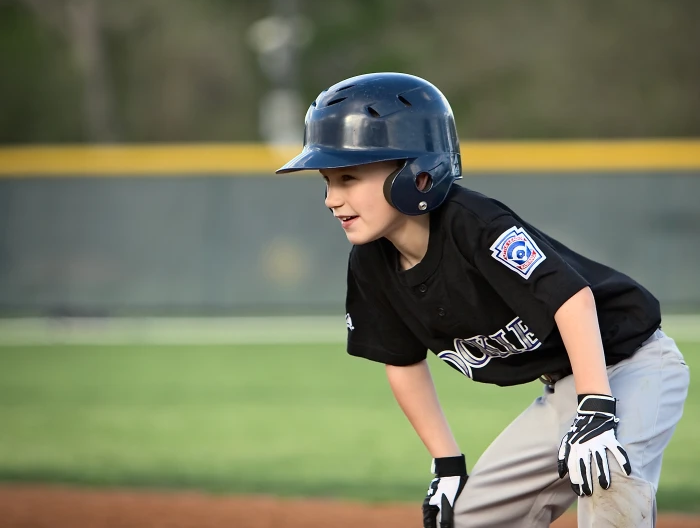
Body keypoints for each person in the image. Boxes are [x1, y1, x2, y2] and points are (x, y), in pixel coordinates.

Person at [275, 72, 690, 527]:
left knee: (607, 475)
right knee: (469, 519)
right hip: (565, 388)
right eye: (327, 181)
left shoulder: (474, 224)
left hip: (632, 367)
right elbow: (402, 360)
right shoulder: (371, 263)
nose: (332, 199)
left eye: (348, 178)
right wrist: (447, 463)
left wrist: (595, 407)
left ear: (414, 171)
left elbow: (572, 299)